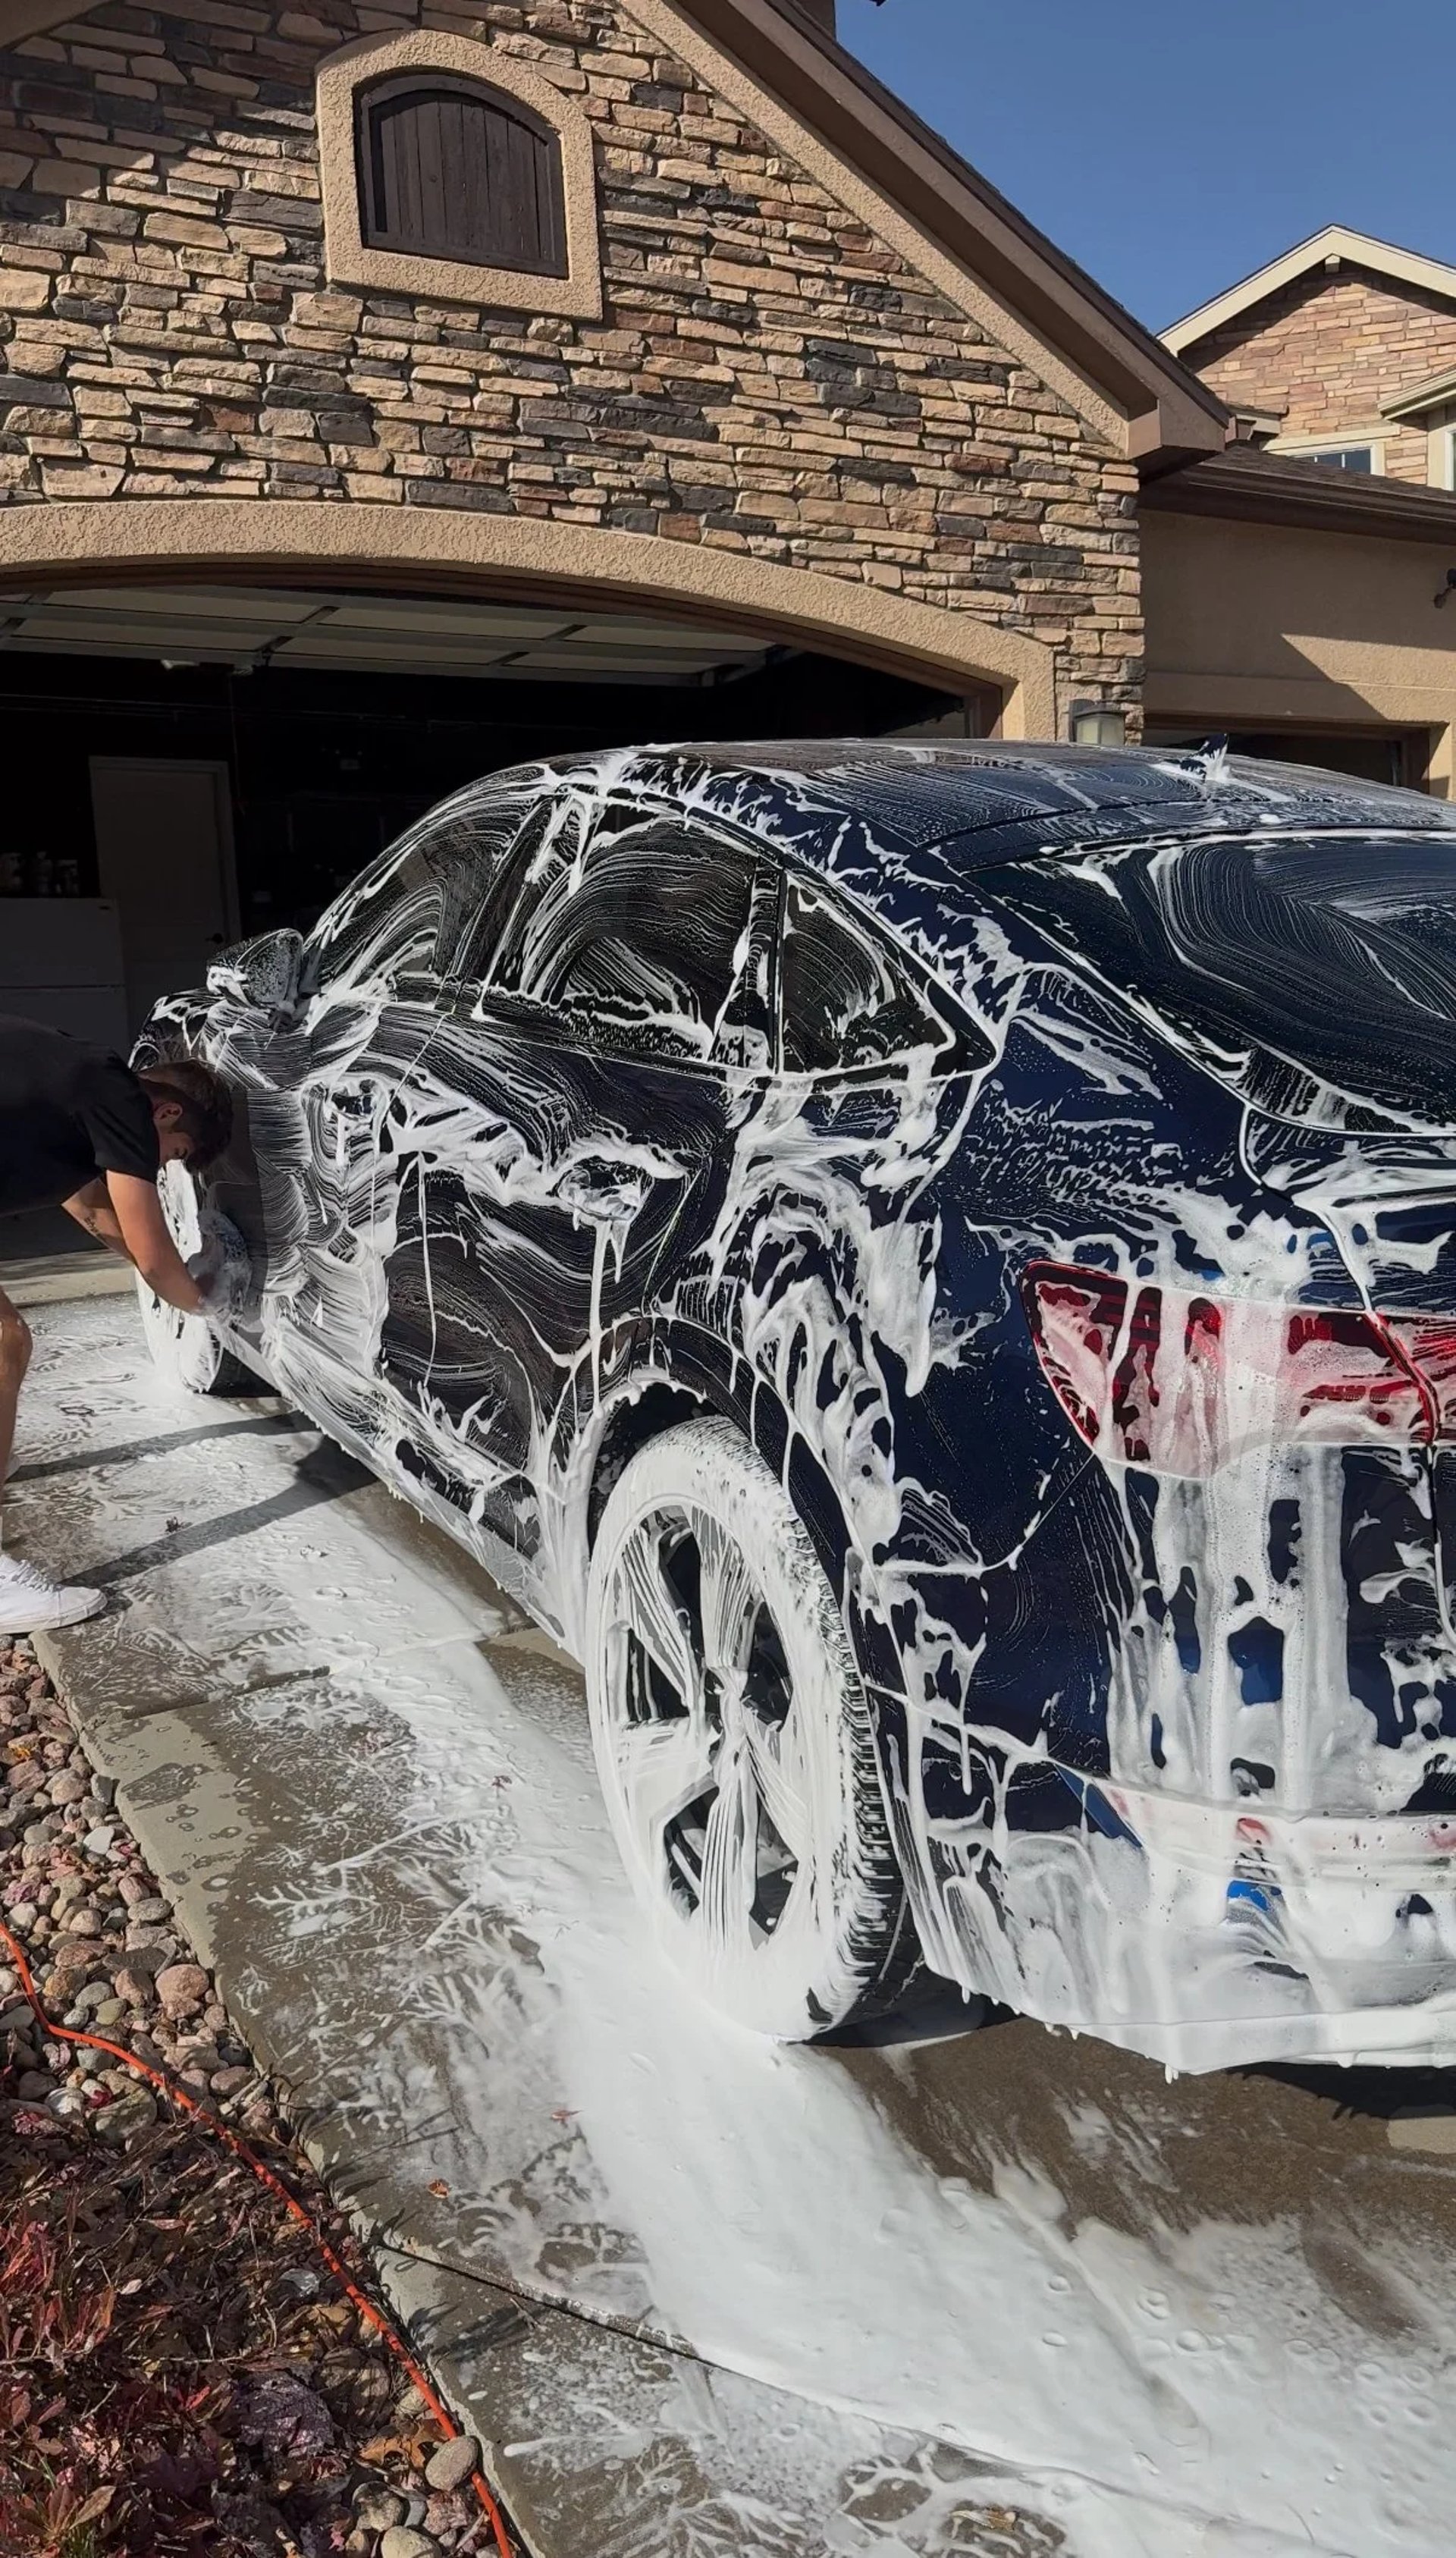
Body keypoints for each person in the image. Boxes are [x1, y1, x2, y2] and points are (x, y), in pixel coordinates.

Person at [0, 1014, 233, 1635]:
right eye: (175, 1156)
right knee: (2, 1343)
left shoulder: (72, 1079)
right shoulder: (122, 1099)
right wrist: (204, 1301)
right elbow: (153, 1255)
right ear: (168, 1114)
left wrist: (173, 1277)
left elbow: (95, 1211)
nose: (164, 1167)